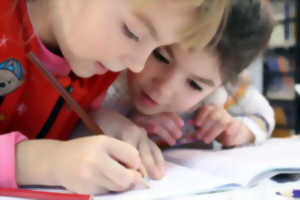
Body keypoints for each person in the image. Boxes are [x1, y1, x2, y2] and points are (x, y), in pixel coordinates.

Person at [0, 0, 230, 195]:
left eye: (156, 48)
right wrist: (46, 162)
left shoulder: (95, 66)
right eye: (133, 32)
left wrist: (90, 128)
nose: (138, 65)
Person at [96, 0, 274, 157]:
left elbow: (264, 116)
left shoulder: (226, 92)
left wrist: (239, 131)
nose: (163, 88)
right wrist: (121, 123)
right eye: (161, 57)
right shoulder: (106, 70)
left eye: (194, 85)